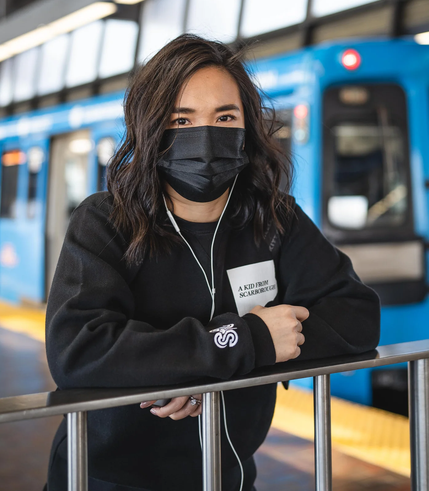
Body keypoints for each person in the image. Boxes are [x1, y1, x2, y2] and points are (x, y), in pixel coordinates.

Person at [45, 34, 380, 491]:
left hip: (231, 477)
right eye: (181, 119)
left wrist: (192, 364)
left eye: (225, 117)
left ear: (247, 129)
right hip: (106, 480)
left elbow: (357, 315)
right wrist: (249, 340)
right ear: (152, 129)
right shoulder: (106, 221)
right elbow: (78, 348)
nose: (205, 137)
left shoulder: (273, 220)